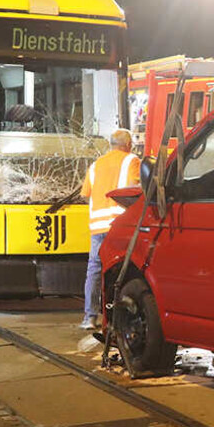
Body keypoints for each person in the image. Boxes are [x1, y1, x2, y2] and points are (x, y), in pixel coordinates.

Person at [79, 128, 140, 330]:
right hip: (119, 225)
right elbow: (136, 189)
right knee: (122, 270)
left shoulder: (96, 165)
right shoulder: (132, 161)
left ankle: (89, 317)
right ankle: (116, 318)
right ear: (128, 144)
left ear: (111, 145)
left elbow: (85, 193)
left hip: (98, 226)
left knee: (94, 270)